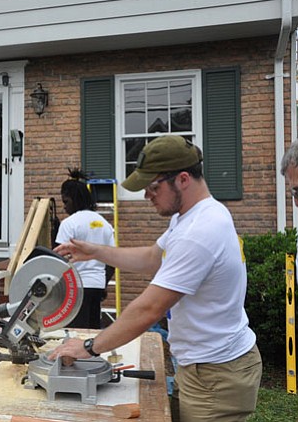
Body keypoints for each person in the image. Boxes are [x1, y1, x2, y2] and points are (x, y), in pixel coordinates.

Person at [49, 136, 262, 421]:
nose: (147, 195)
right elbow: (152, 257)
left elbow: (149, 308)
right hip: (205, 366)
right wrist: (94, 251)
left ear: (183, 179)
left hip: (216, 375)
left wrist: (89, 347)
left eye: (153, 187)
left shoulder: (199, 231)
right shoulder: (191, 217)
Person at [55, 168, 115, 329]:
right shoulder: (104, 223)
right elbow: (112, 260)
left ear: (75, 199)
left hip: (75, 289)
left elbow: (57, 260)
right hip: (97, 286)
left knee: (74, 333)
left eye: (65, 202)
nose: (64, 208)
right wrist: (103, 284)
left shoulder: (69, 223)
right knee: (92, 333)